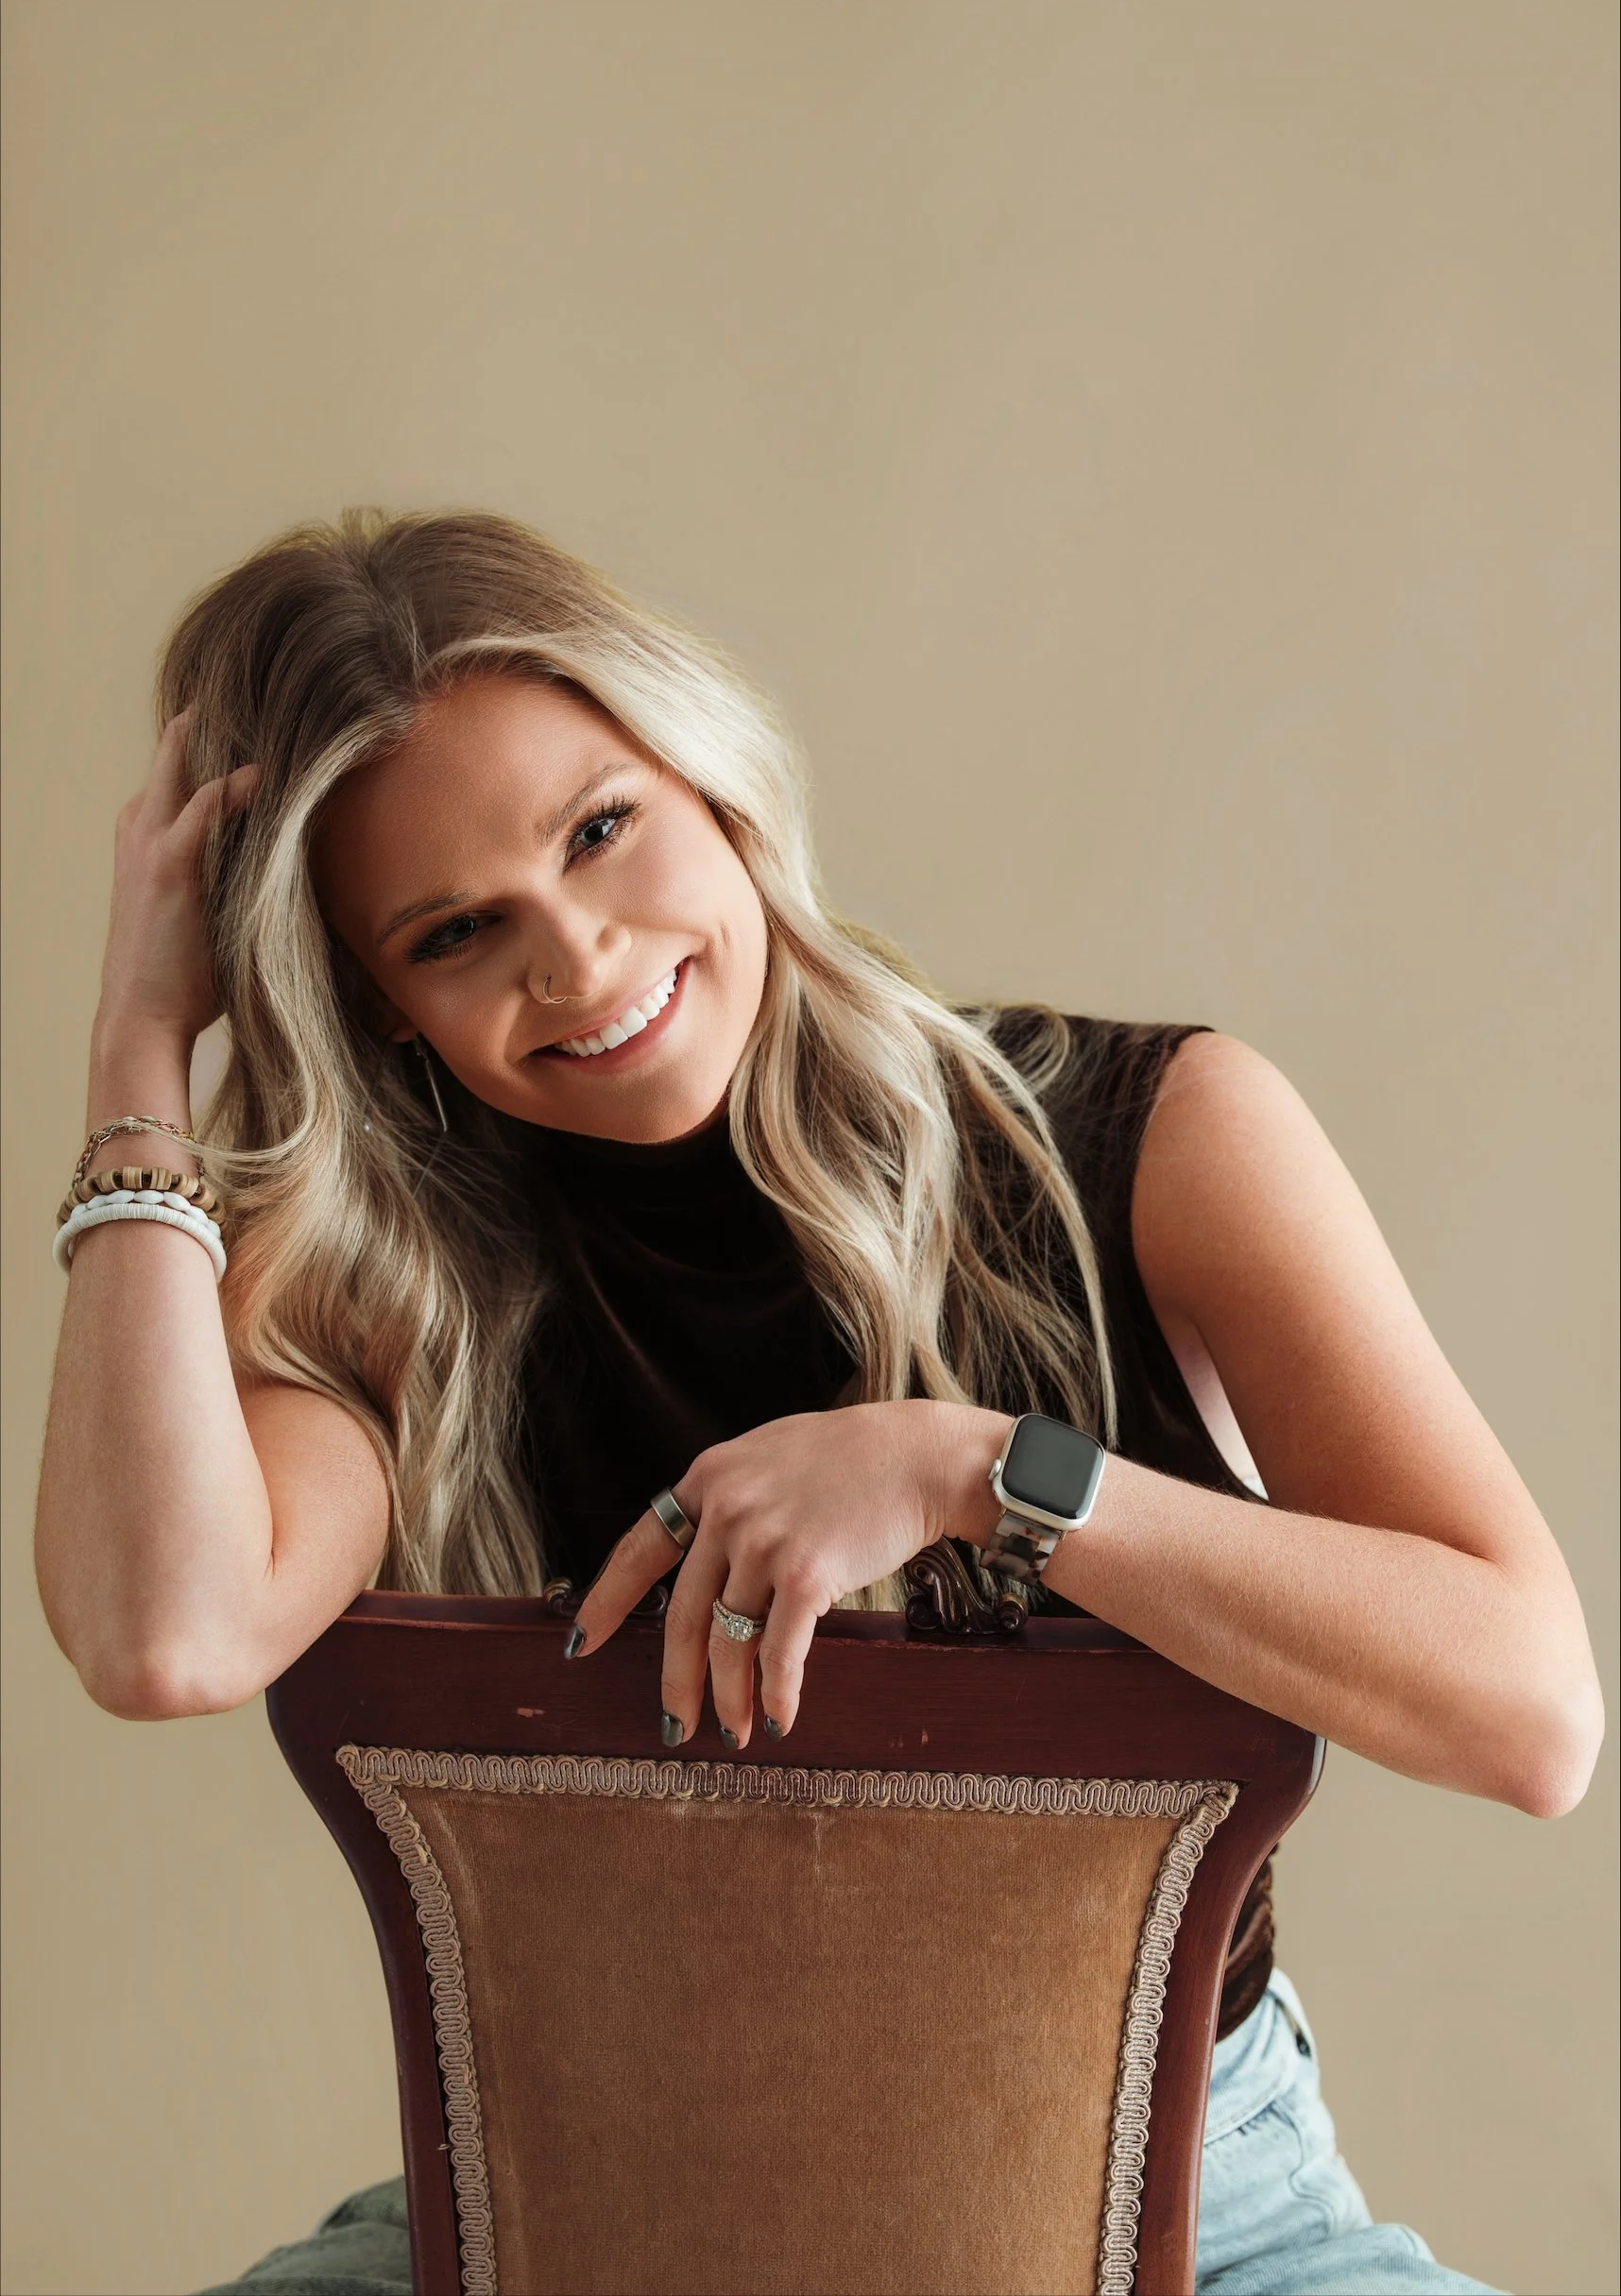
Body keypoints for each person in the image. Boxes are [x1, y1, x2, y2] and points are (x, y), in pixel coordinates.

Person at [36, 509, 1600, 2296]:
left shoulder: (1147, 1137)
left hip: (1183, 2219)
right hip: (576, 2214)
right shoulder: (389, 1290)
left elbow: (1530, 1711)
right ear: (381, 1011)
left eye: (600, 831)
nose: (580, 960)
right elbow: (164, 1638)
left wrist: (978, 1472)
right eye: (461, 932)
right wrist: (138, 1042)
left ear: (713, 782)